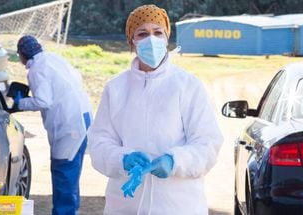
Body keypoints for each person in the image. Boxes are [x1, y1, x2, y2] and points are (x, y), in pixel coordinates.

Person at [88, 4, 224, 215]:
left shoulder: (187, 85)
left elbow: (208, 143)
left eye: (157, 32)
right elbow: (99, 144)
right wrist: (122, 158)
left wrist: (175, 160)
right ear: (132, 41)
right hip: (125, 206)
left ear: (166, 38)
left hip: (178, 207)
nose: (151, 39)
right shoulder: (115, 89)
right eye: (142, 33)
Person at [15, 35, 92, 215]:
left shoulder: (36, 69)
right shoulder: (54, 58)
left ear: (23, 54)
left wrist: (20, 103)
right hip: (82, 117)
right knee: (72, 175)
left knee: (63, 174)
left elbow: (43, 101)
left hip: (68, 126)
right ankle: (70, 211)